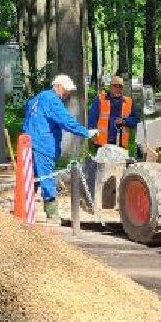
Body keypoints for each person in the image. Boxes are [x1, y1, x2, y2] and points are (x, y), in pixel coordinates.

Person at [21, 74, 101, 222]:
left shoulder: (37, 98)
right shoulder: (52, 100)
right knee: (47, 178)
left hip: (28, 144)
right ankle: (52, 215)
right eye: (66, 90)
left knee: (31, 179)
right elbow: (66, 120)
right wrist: (86, 132)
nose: (67, 94)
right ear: (58, 87)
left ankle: (24, 211)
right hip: (43, 145)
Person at [86, 75, 140, 151]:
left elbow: (135, 119)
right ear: (110, 86)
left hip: (120, 143)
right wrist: (92, 134)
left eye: (120, 86)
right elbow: (92, 118)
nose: (117, 88)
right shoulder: (100, 99)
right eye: (115, 86)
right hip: (102, 142)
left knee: (119, 162)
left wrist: (124, 121)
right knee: (103, 162)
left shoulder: (128, 101)